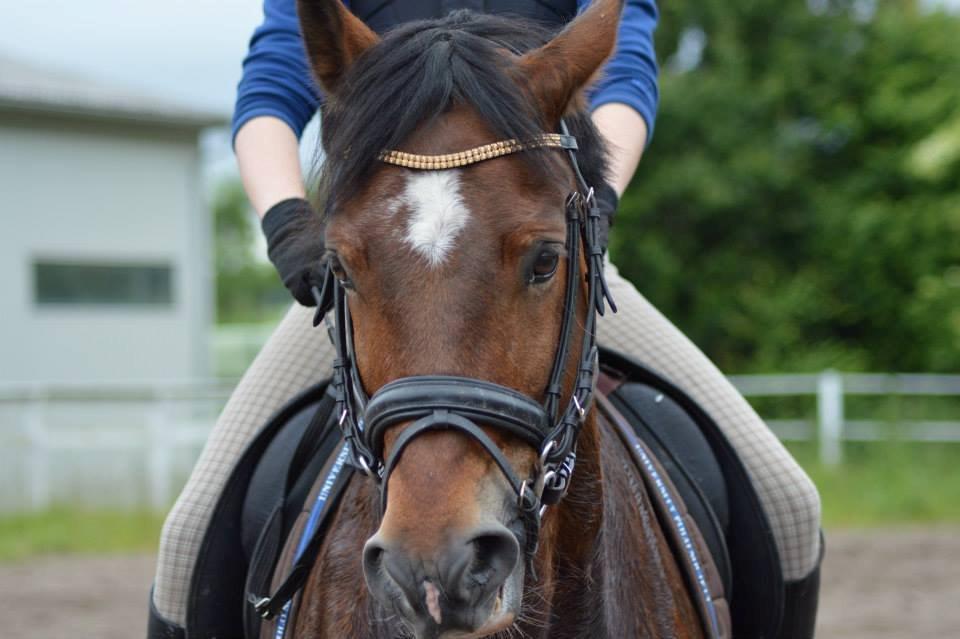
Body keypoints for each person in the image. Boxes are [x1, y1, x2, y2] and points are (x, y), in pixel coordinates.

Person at [148, 1, 822, 637]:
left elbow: (623, 70)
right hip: (376, 276)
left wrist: (591, 208)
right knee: (186, 545)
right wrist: (287, 219)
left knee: (788, 506)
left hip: (540, 263)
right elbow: (273, 87)